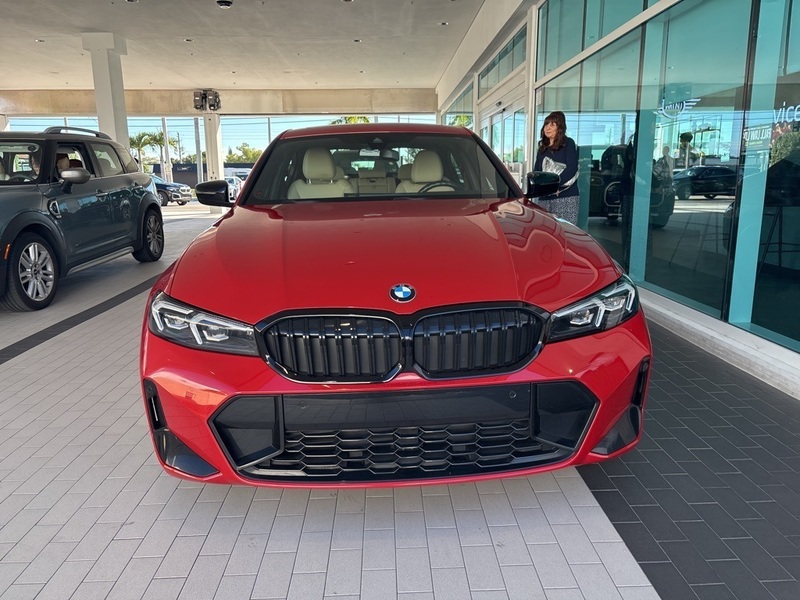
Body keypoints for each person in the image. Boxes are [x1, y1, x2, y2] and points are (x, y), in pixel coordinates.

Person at [533, 111, 580, 224]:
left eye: (552, 125)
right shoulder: (542, 148)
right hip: (545, 197)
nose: (547, 128)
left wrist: (554, 185)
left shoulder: (568, 143)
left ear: (560, 127)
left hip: (565, 197)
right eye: (546, 124)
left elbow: (571, 168)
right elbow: (537, 172)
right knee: (545, 230)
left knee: (565, 230)